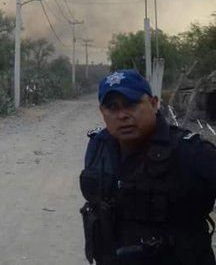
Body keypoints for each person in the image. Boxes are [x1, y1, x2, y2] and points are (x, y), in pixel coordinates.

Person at [80, 69, 216, 264]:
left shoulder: (190, 152)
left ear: (154, 103)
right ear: (102, 111)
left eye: (132, 104)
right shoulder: (99, 146)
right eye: (112, 107)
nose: (122, 115)